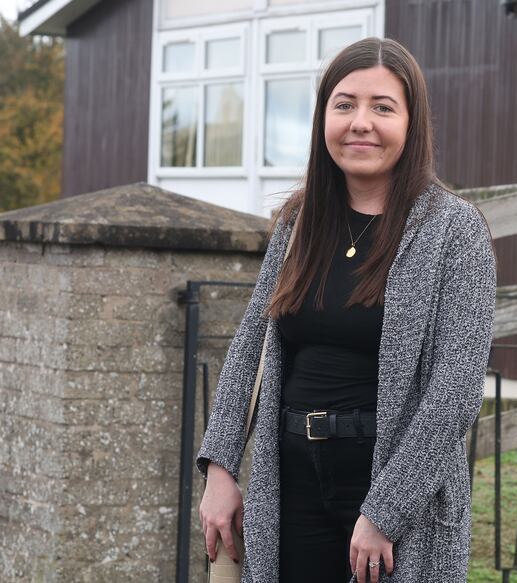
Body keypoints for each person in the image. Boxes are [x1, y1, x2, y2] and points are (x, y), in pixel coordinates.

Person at [196, 36, 496, 582]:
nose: (361, 122)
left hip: (390, 490)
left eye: (383, 107)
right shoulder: (299, 222)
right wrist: (219, 466)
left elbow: (455, 391)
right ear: (323, 120)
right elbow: (251, 347)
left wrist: (386, 511)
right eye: (345, 104)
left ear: (412, 123)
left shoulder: (454, 230)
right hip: (290, 483)